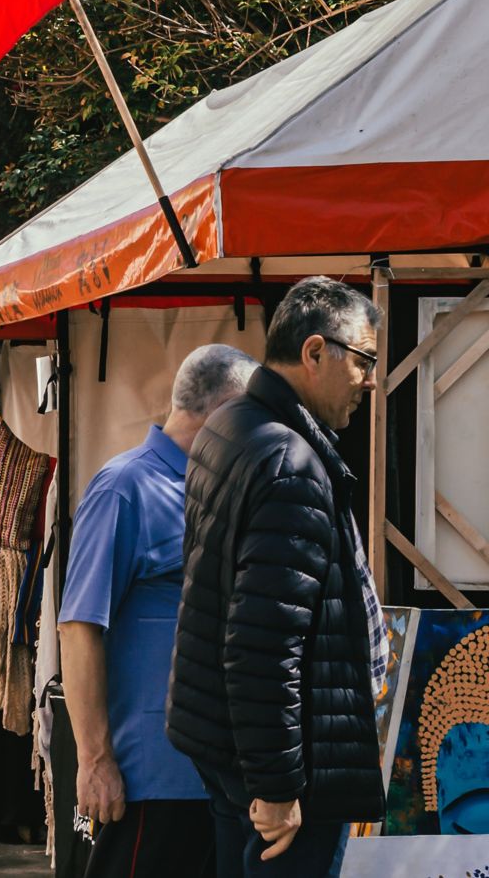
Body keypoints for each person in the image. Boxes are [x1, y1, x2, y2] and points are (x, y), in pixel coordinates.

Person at [168, 277, 386, 877]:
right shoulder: (289, 460)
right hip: (277, 772)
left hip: (233, 748)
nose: (372, 380)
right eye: (365, 361)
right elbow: (264, 646)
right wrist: (279, 785)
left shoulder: (231, 423)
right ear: (315, 353)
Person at [58, 344, 257, 877]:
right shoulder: (125, 486)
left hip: (217, 774)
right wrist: (95, 760)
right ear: (223, 410)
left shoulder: (222, 489)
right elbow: (78, 627)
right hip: (154, 774)